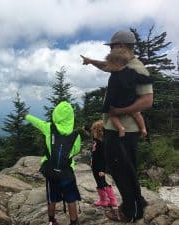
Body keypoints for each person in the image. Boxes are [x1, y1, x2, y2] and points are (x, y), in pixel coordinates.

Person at [81, 30, 153, 222]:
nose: (110, 49)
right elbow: (106, 65)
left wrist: (119, 111)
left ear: (121, 46)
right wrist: (90, 61)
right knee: (125, 169)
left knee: (121, 172)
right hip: (118, 131)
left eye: (112, 46)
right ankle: (138, 201)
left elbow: (147, 100)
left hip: (124, 133)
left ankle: (130, 212)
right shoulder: (122, 64)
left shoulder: (137, 68)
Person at [24, 101, 81, 225]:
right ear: (71, 117)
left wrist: (26, 116)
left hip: (51, 171)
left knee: (52, 198)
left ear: (56, 114)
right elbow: (76, 150)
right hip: (66, 172)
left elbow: (37, 122)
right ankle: (74, 221)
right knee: (71, 199)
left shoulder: (49, 128)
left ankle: (51, 221)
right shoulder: (76, 135)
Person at [82, 46, 153, 137]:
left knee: (112, 115)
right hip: (130, 100)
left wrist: (106, 107)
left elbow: (110, 93)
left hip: (117, 102)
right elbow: (143, 79)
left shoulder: (114, 77)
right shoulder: (132, 72)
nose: (108, 66)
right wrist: (150, 79)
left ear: (116, 64)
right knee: (136, 113)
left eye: (110, 64)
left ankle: (120, 128)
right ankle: (143, 129)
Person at [90, 120, 117, 208]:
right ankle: (103, 200)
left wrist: (102, 170)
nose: (92, 132)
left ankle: (112, 201)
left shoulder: (101, 144)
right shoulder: (97, 141)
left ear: (99, 132)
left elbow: (104, 158)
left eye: (94, 130)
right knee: (99, 183)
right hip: (95, 167)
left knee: (103, 183)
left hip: (99, 168)